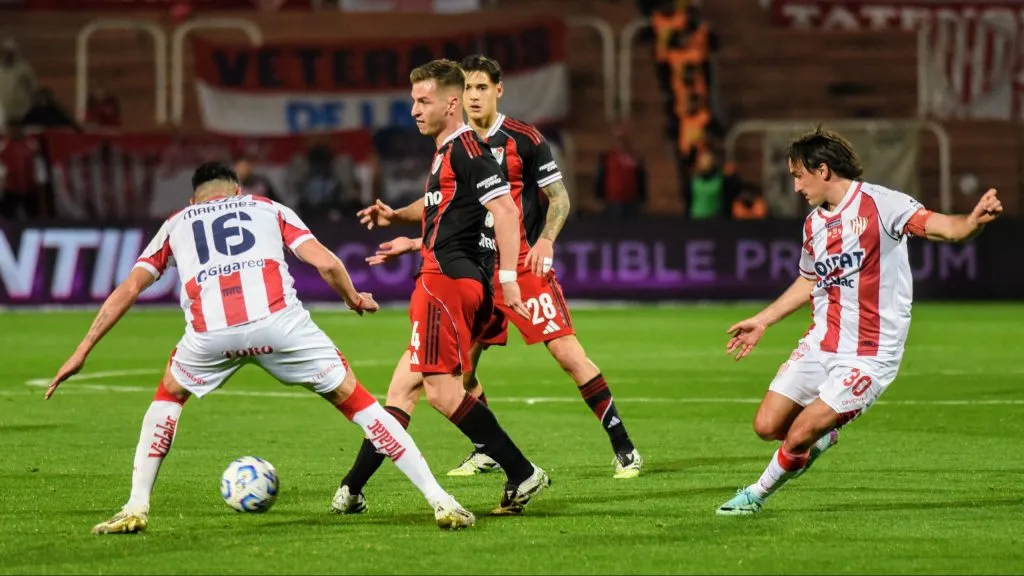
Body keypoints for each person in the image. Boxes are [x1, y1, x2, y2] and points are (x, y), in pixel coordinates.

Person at [45, 162, 476, 534]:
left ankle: (136, 506)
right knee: (362, 405)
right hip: (280, 326)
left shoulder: (177, 223)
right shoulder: (266, 207)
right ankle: (440, 500)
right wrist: (353, 298)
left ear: (196, 198)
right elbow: (326, 262)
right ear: (237, 190)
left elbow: (128, 289)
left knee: (168, 397)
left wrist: (83, 349)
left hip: (211, 335)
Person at [716, 127, 1003, 515]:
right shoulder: (814, 224)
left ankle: (755, 495)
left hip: (870, 354)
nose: (796, 186)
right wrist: (764, 321)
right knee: (767, 426)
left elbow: (945, 229)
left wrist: (973, 221)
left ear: (823, 170)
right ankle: (821, 436)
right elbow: (810, 278)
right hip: (823, 342)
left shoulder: (882, 205)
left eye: (798, 175)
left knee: (798, 434)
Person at [331, 59, 551, 517]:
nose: (413, 109)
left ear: (451, 104)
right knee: (400, 392)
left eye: (422, 100)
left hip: (443, 285)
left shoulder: (465, 151)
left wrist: (510, 280)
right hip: (451, 280)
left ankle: (521, 471)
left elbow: (507, 212)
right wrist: (401, 223)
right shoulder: (453, 151)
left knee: (442, 394)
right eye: (412, 100)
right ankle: (351, 490)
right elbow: (444, 209)